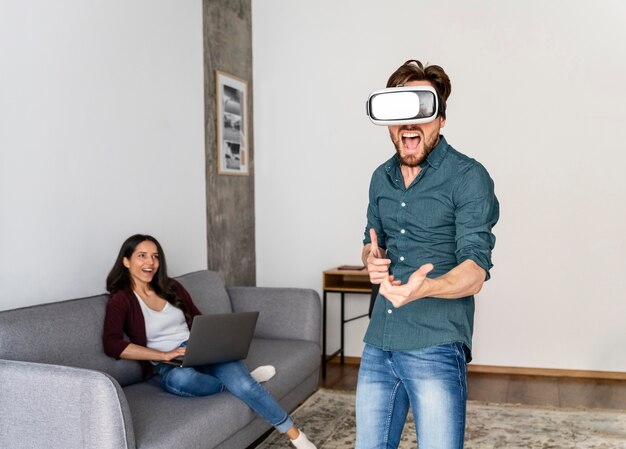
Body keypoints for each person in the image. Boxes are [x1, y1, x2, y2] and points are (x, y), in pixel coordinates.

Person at [357, 60, 499, 449]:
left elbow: (474, 271)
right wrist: (371, 255)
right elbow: (372, 241)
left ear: (441, 119)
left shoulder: (468, 177)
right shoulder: (379, 178)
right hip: (379, 340)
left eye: (420, 112)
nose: (409, 125)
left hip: (435, 343)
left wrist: (425, 288)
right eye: (399, 114)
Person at [103, 234, 316, 449]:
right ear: (126, 261)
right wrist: (163, 355)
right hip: (170, 362)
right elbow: (112, 344)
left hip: (201, 347)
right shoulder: (121, 300)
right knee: (181, 381)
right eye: (142, 256)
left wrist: (214, 340)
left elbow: (198, 319)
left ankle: (297, 436)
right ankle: (242, 382)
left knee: (243, 385)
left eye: (155, 256)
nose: (150, 262)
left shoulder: (171, 287)